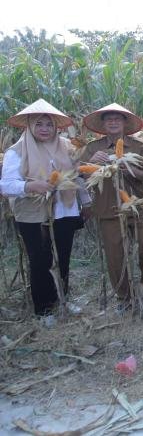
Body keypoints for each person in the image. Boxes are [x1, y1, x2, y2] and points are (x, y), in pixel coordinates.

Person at [0, 100, 90, 316]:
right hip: (33, 214)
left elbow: (78, 175)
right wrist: (30, 186)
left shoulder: (67, 146)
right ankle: (43, 309)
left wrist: (86, 201)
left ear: (56, 127)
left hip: (65, 211)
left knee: (63, 257)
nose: (45, 129)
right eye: (39, 124)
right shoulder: (17, 151)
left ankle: (62, 299)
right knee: (40, 261)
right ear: (30, 125)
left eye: (49, 125)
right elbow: (6, 185)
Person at [82, 104, 143, 309]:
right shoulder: (93, 148)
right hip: (108, 208)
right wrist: (92, 163)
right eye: (109, 119)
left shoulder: (140, 146)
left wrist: (129, 169)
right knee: (115, 256)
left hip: (139, 205)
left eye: (118, 119)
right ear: (103, 124)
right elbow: (83, 176)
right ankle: (124, 297)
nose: (113, 122)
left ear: (125, 123)